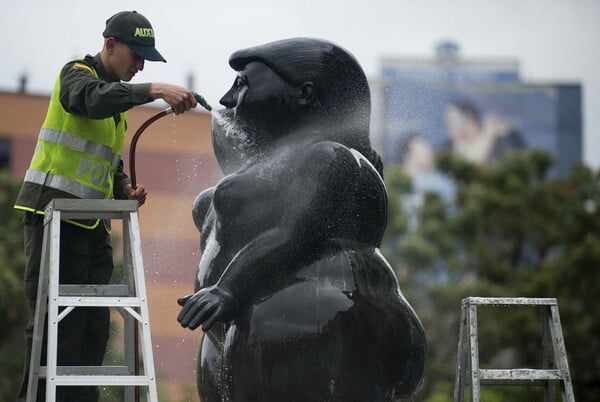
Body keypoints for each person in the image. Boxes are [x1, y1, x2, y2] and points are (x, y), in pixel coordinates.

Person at [177, 38, 425, 402]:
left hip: (324, 331)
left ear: (305, 94)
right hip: (238, 342)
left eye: (243, 85)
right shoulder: (275, 170)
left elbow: (293, 235)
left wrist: (228, 289)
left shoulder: (332, 160)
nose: (229, 99)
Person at [14, 10, 197, 402]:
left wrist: (125, 188)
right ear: (110, 46)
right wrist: (154, 89)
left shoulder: (115, 105)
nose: (141, 64)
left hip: (90, 224)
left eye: (146, 59)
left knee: (93, 327)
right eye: (136, 55)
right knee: (52, 325)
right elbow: (89, 101)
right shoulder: (77, 76)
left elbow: (106, 160)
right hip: (51, 218)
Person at [443, 98, 526, 165]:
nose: (449, 128)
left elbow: (473, 166)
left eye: (451, 121)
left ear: (469, 119)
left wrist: (491, 132)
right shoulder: (449, 147)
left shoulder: (503, 140)